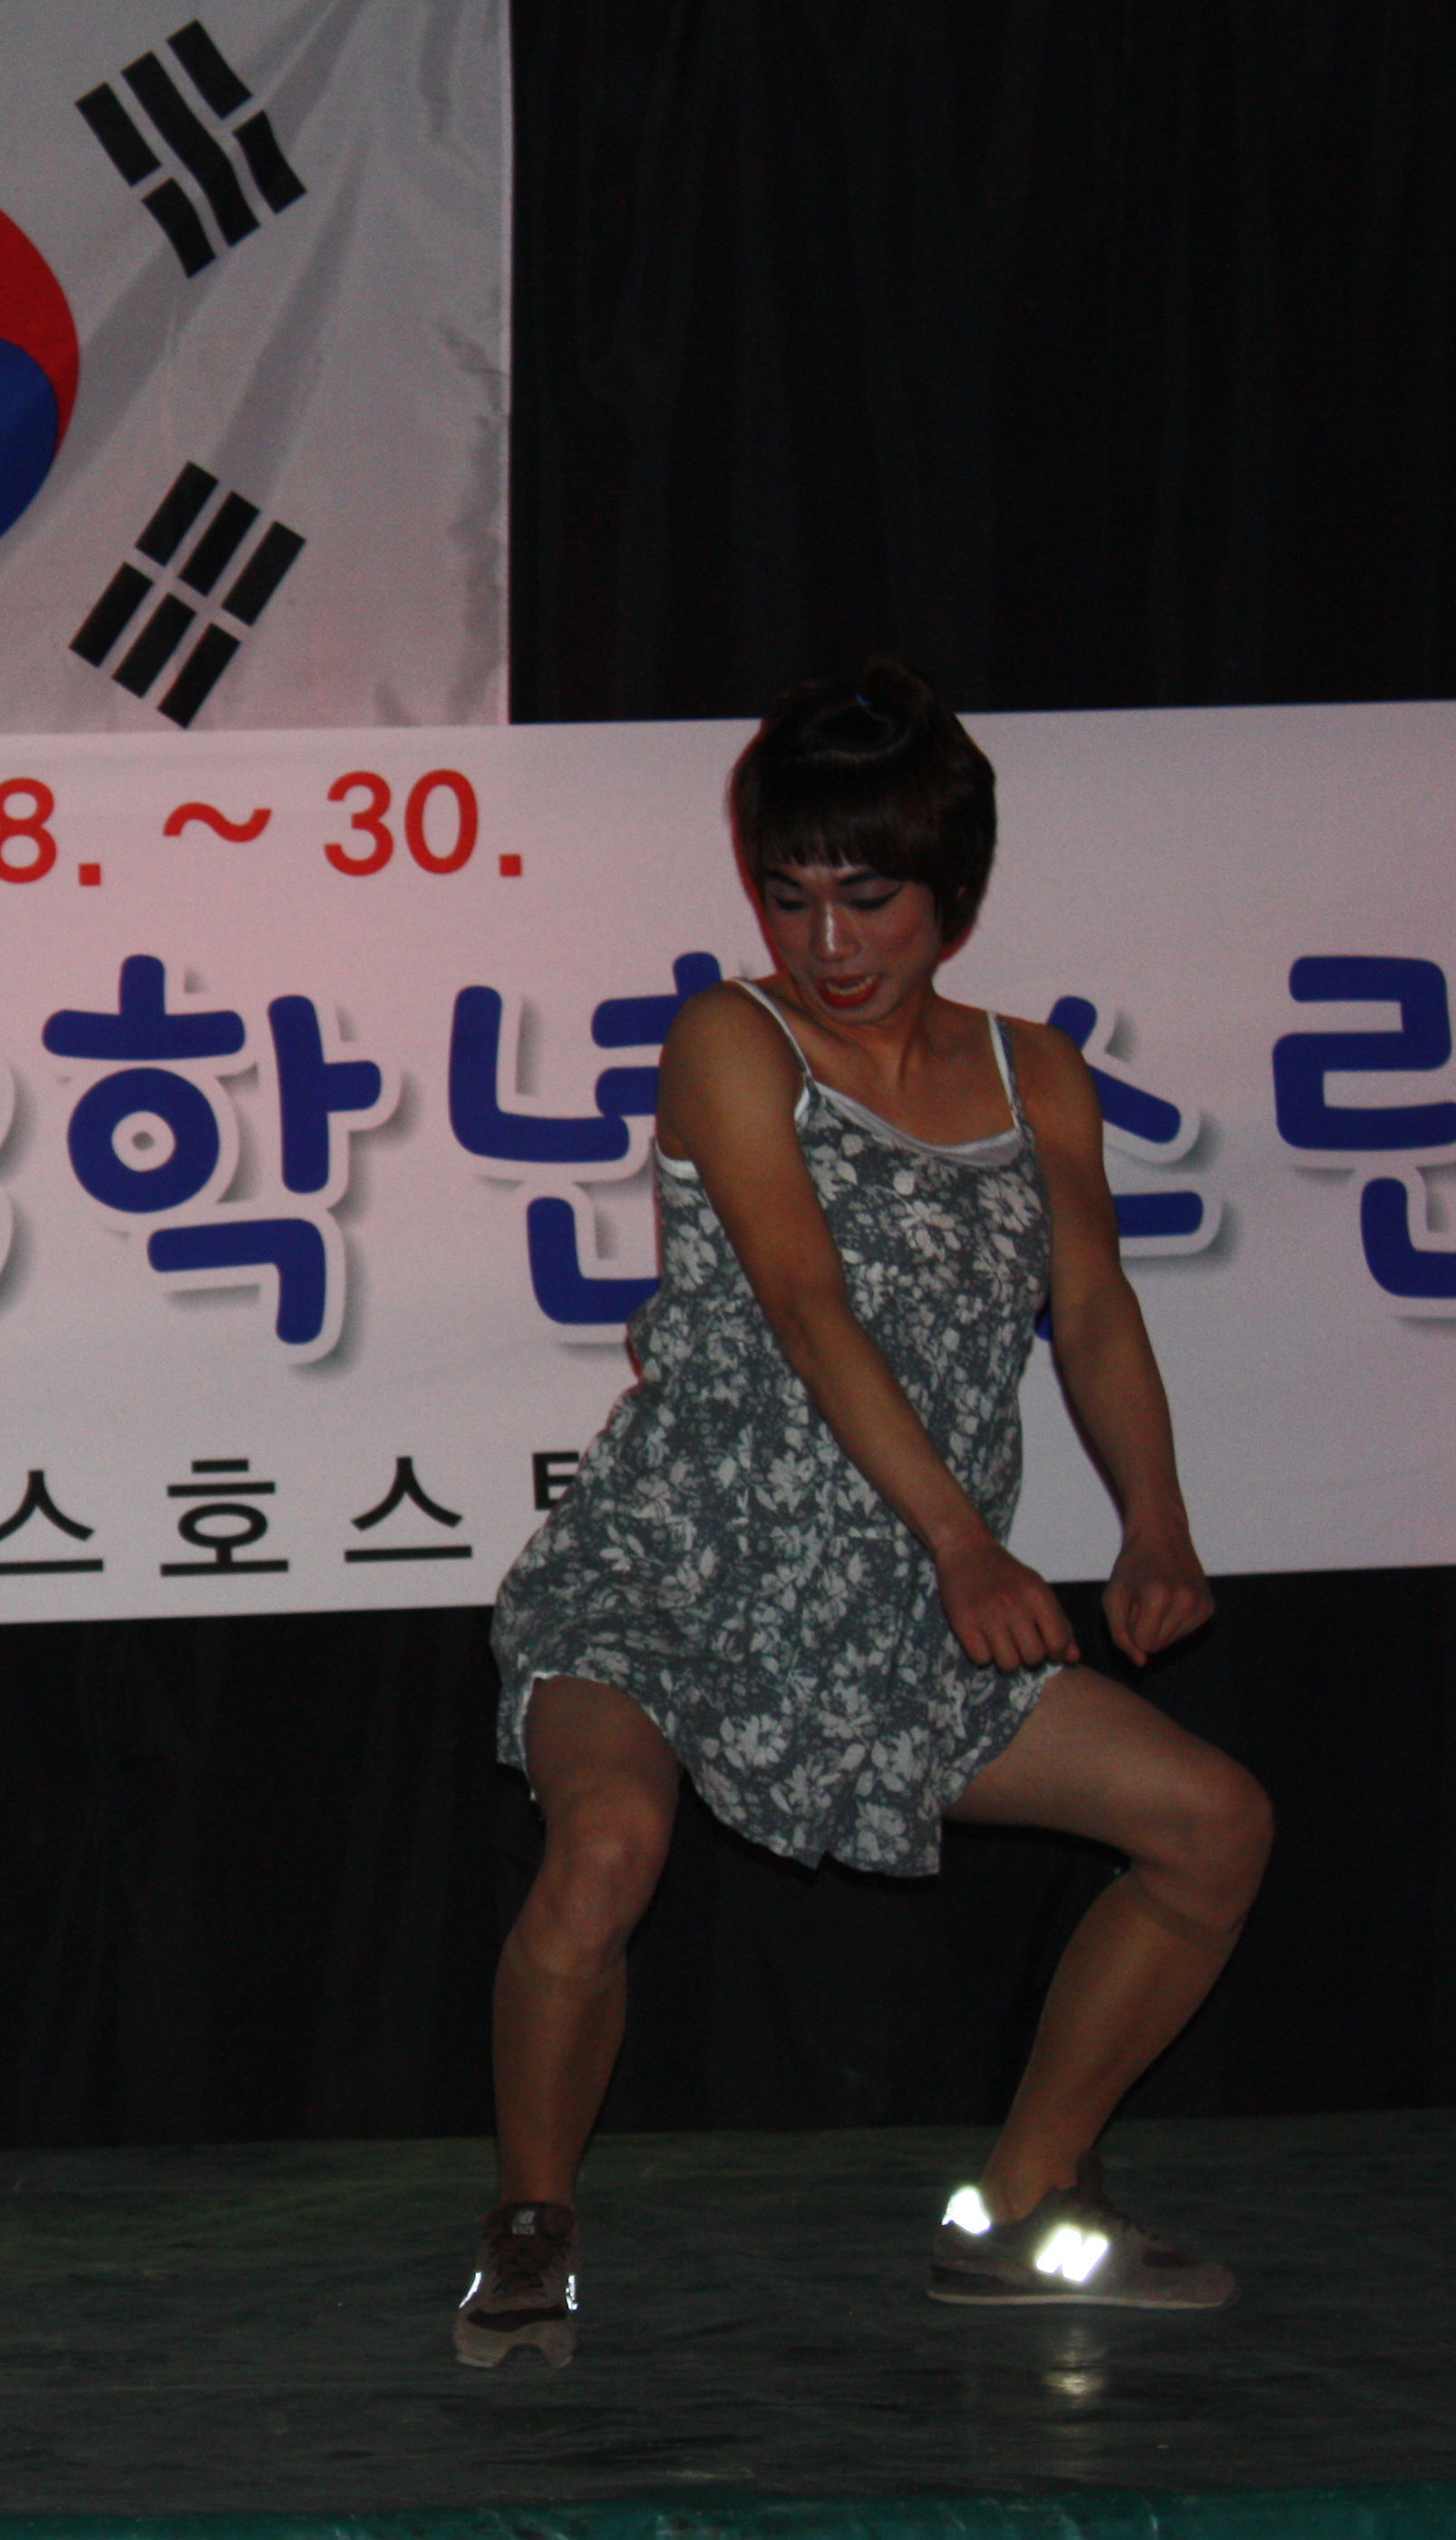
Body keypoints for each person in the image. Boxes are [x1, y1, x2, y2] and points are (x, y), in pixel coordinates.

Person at [456, 660, 1271, 2370]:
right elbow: (805, 1298)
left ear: (950, 891)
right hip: (679, 1563)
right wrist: (971, 1544)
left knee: (1213, 1828)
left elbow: (1094, 1311)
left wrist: (1157, 1525)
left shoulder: (1038, 1075)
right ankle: (531, 2228)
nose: (829, 941)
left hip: (898, 1616)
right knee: (604, 1850)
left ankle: (1025, 2204)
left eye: (870, 896)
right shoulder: (731, 1039)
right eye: (791, 895)